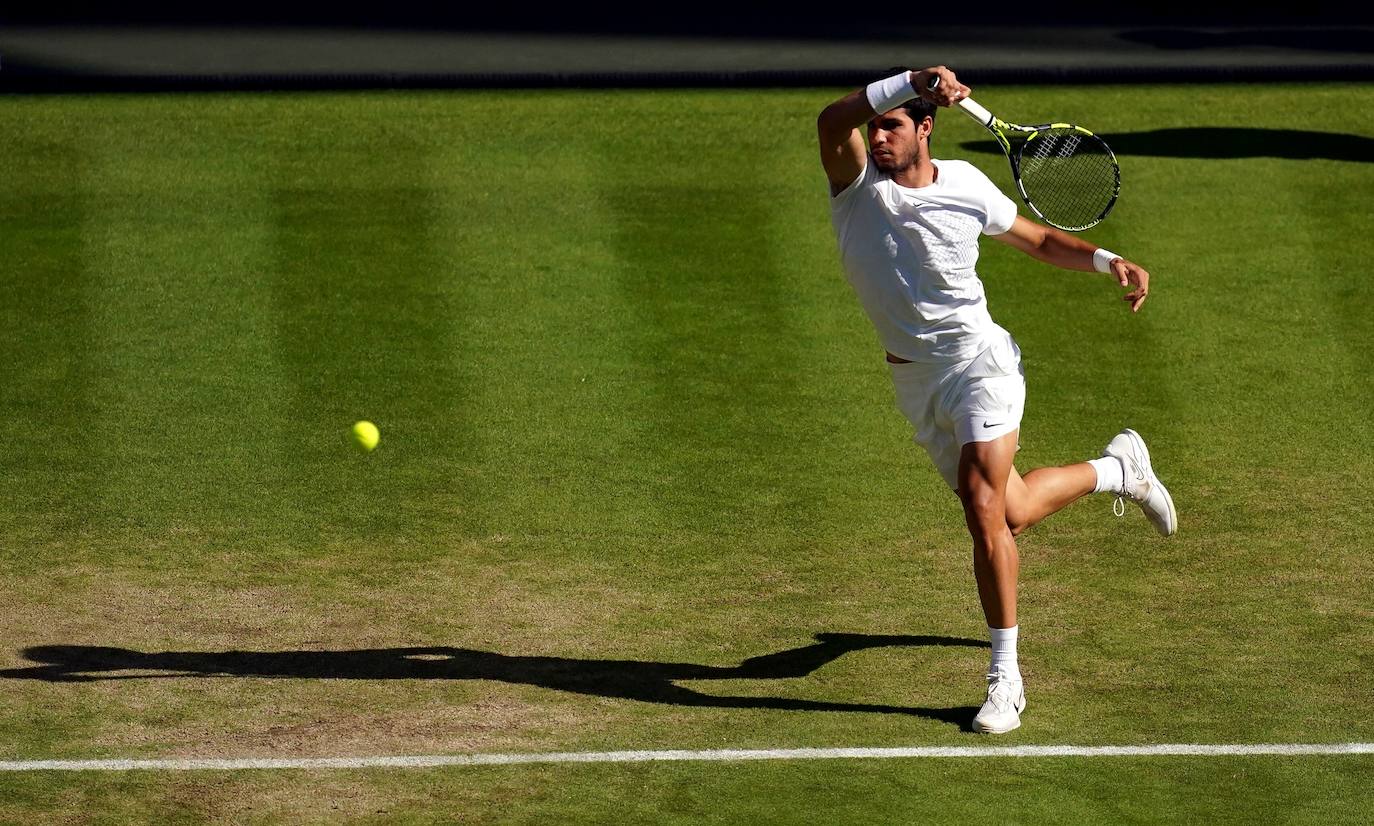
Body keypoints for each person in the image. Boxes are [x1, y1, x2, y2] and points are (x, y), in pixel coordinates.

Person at [816, 67, 1177, 734]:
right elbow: (831, 122)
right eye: (877, 125)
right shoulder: (856, 189)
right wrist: (909, 81)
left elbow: (1038, 240)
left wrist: (1108, 260)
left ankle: (1004, 680)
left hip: (982, 366)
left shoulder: (966, 186)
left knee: (983, 511)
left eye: (893, 125)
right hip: (916, 384)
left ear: (925, 129)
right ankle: (1118, 470)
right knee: (1008, 512)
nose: (878, 135)